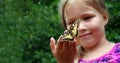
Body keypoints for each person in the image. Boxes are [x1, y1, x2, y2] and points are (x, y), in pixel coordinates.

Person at [50, 0, 120, 63]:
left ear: (104, 18)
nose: (80, 28)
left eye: (87, 18)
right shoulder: (69, 59)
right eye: (72, 23)